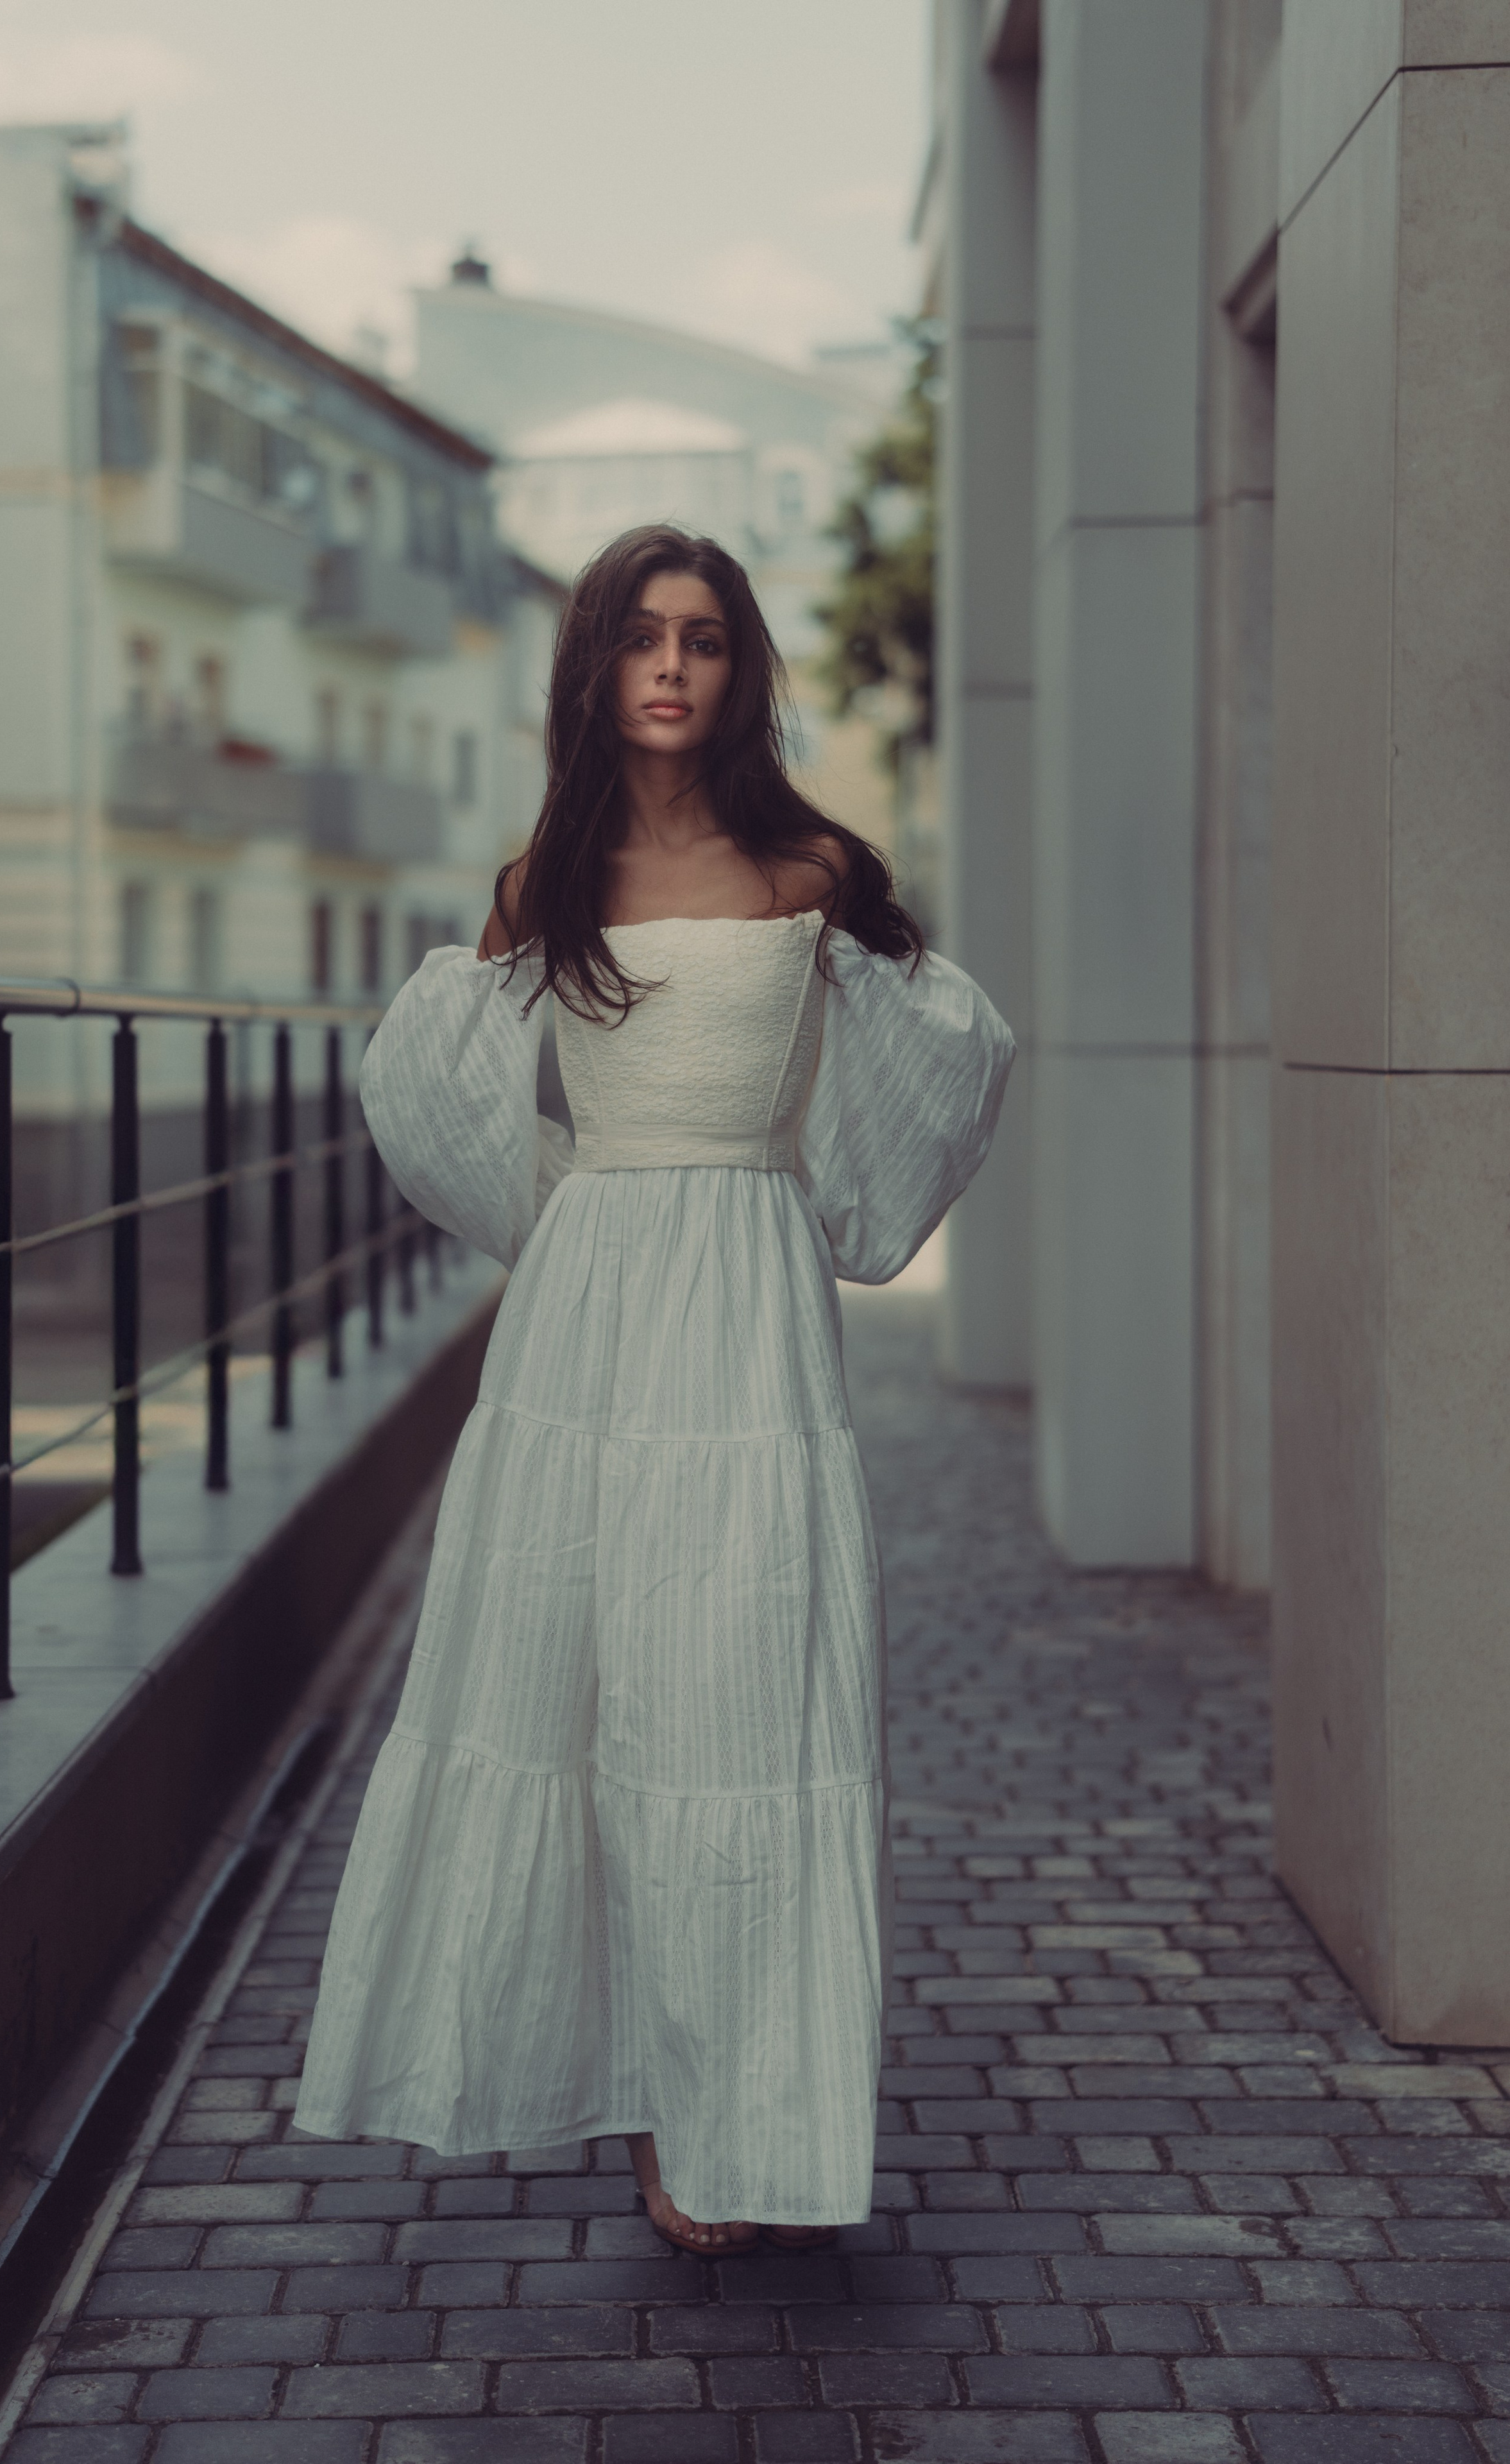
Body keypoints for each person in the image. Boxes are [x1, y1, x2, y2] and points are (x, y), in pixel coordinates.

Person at [295, 523, 1014, 2254]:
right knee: (582, 1706)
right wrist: (554, 1207)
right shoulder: (545, 881)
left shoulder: (810, 870)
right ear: (600, 668)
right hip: (591, 1316)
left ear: (737, 666)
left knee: (744, 1705)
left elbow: (953, 1050)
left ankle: (736, 2118)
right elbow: (429, 1082)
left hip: (751, 1321)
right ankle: (649, 2104)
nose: (674, 666)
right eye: (642, 637)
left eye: (703, 637)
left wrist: (843, 1197)